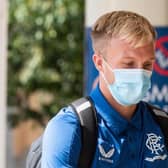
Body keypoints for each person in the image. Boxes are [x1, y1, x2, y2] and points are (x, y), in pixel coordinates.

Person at [41, 10, 168, 168]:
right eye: (128, 64)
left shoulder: (162, 125)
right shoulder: (70, 129)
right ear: (99, 63)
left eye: (147, 64)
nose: (140, 73)